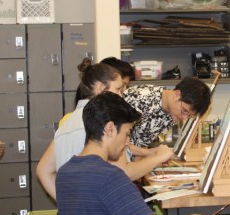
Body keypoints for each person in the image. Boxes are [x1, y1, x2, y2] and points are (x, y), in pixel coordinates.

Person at [56, 92, 209, 215]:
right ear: (110, 129)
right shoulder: (111, 177)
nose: (127, 143)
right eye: (127, 134)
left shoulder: (65, 173)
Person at [36, 59, 174, 200]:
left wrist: (66, 204)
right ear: (101, 88)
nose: (122, 95)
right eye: (118, 89)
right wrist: (157, 158)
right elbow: (123, 172)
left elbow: (43, 170)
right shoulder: (100, 123)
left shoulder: (67, 123)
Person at [124, 77, 211, 147]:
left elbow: (141, 144)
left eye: (189, 116)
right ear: (176, 94)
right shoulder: (140, 99)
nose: (184, 118)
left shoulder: (172, 112)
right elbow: (116, 145)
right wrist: (150, 153)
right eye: (184, 111)